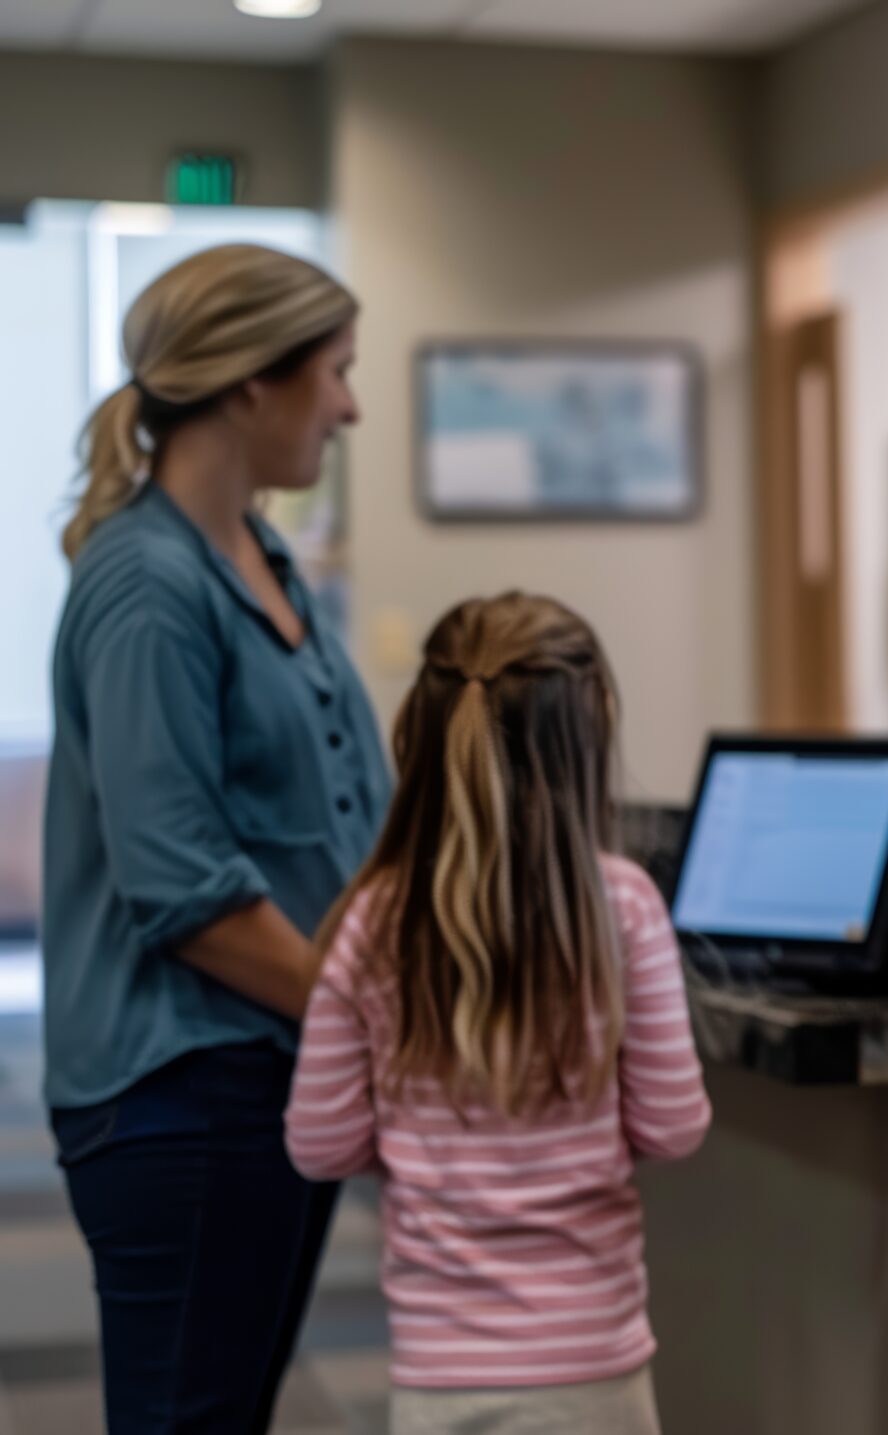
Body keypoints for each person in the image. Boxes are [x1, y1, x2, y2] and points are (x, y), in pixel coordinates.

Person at [43, 243, 384, 1430]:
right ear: (252, 382)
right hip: (181, 1090)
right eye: (335, 371)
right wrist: (382, 1017)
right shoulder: (146, 583)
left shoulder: (259, 550)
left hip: (269, 1069)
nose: (349, 405)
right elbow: (181, 885)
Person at [285, 592, 711, 1433]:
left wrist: (422, 1144)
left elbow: (320, 1142)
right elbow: (673, 1125)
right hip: (593, 1366)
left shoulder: (372, 923)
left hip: (439, 1376)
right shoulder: (623, 909)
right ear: (589, 737)